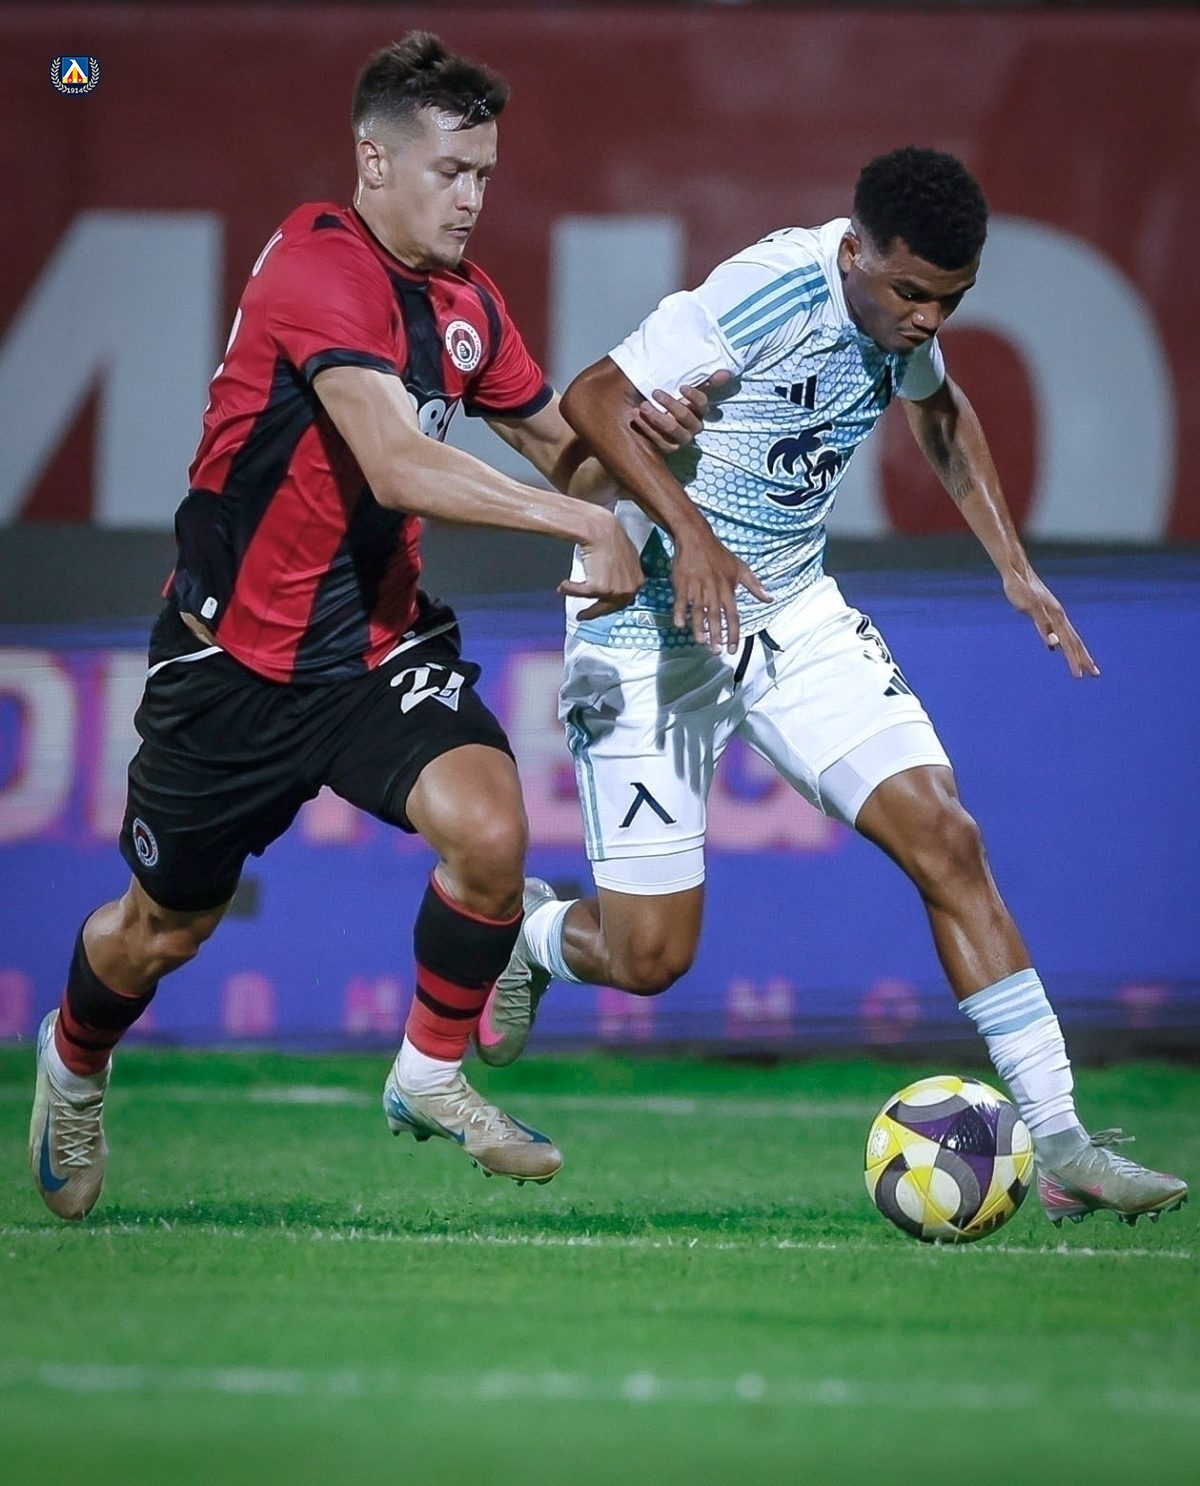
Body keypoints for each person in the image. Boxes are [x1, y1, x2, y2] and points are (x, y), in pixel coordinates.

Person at [27, 32, 730, 1222]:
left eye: (485, 175)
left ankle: (428, 1072)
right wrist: (580, 520)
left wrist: (652, 444)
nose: (471, 198)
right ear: (373, 160)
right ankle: (74, 1059)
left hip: (376, 649)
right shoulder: (315, 262)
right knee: (160, 931)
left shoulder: (468, 302)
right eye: (451, 171)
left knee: (492, 831)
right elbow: (399, 464)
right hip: (233, 663)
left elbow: (562, 450)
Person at [478, 147, 1188, 1228]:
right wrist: (692, 536)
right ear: (854, 251)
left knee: (947, 837)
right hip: (643, 632)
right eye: (910, 293)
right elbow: (592, 399)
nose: (926, 319)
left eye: (950, 301)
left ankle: (1064, 1144)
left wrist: (1013, 565)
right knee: (649, 956)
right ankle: (530, 936)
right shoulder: (767, 289)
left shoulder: (905, 319)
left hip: (790, 613)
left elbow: (941, 413)